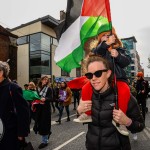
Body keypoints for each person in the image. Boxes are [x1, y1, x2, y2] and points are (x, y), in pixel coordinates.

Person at [77, 56, 144, 150]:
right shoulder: (87, 94)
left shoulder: (124, 95)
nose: (93, 78)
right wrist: (79, 110)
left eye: (98, 73)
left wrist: (127, 121)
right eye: (89, 75)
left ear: (108, 73)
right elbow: (84, 118)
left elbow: (140, 126)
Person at [74, 28, 131, 136]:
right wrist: (104, 44)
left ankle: (119, 119)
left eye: (109, 35)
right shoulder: (99, 49)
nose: (107, 37)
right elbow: (95, 54)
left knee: (124, 89)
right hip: (101, 79)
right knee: (86, 87)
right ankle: (88, 114)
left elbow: (126, 62)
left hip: (117, 78)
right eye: (104, 36)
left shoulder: (119, 49)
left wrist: (118, 56)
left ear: (114, 37)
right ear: (101, 39)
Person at [0, 61, 30, 150]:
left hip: (9, 132)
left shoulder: (13, 88)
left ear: (1, 73)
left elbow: (23, 111)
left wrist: (21, 133)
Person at [33, 76, 53, 149]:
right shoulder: (37, 89)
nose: (46, 81)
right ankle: (48, 132)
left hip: (45, 109)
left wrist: (45, 98)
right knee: (39, 124)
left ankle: (44, 142)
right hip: (39, 109)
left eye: (47, 80)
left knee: (44, 125)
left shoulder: (49, 89)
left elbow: (51, 98)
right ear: (41, 80)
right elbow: (35, 96)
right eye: (44, 79)